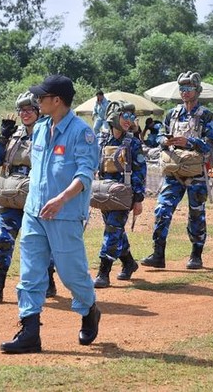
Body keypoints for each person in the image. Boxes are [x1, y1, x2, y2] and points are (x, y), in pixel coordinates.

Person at [0, 75, 100, 354]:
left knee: (71, 274)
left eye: (42, 97)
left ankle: (89, 308)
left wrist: (61, 198)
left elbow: (84, 174)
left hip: (64, 214)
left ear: (57, 100)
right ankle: (30, 332)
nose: (37, 101)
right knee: (30, 273)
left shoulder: (82, 132)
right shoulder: (41, 128)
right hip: (34, 212)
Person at [0, 92, 57, 303]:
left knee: (40, 243)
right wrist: (3, 137)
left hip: (37, 196)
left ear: (39, 111)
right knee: (3, 238)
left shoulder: (49, 134)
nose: (25, 114)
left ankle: (48, 280)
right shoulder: (14, 134)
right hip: (11, 194)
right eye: (21, 110)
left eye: (30, 109)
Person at [141, 71, 213, 270]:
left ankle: (196, 254)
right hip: (174, 172)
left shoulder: (208, 116)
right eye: (182, 89)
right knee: (162, 210)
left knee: (196, 213)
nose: (184, 92)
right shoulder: (172, 114)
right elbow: (158, 138)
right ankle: (158, 254)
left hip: (196, 173)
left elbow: (210, 145)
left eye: (188, 89)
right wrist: (164, 141)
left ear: (197, 91)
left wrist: (189, 141)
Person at [92, 101, 146, 287]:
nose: (129, 121)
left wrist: (138, 199)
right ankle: (129, 262)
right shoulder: (101, 140)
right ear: (113, 117)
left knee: (112, 229)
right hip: (103, 192)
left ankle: (103, 272)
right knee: (115, 230)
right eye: (125, 116)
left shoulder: (133, 143)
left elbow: (140, 172)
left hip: (123, 194)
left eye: (132, 117)